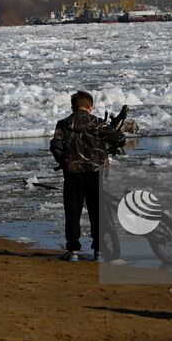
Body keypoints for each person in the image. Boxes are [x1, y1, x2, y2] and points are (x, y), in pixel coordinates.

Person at [49, 91, 125, 262]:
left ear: (72, 107)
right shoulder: (97, 123)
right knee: (97, 213)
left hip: (72, 174)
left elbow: (56, 146)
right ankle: (99, 251)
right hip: (94, 173)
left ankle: (73, 251)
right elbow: (119, 137)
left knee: (73, 213)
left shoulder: (63, 124)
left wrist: (65, 163)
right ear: (91, 107)